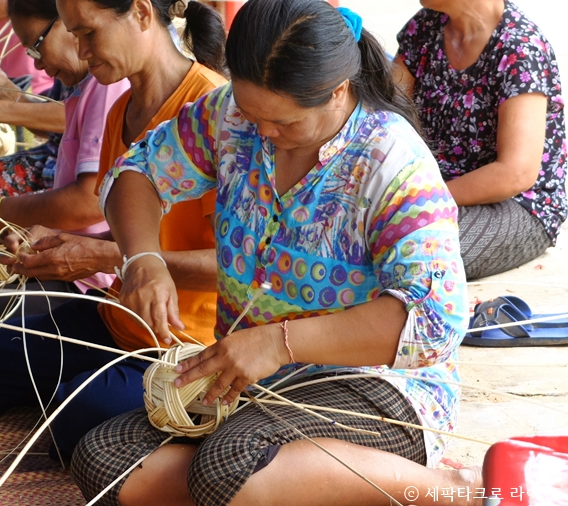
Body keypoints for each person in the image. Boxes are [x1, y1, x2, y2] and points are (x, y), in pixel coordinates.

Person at [73, 1, 480, 505]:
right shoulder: (232, 115)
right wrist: (142, 259)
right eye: (251, 113)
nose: (262, 133)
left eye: (284, 122)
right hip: (251, 379)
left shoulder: (392, 162)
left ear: (336, 92)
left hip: (374, 388)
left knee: (230, 467)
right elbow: (137, 173)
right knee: (104, 457)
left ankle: (459, 491)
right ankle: (282, 488)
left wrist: (279, 343)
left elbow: (432, 321)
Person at [0, 0, 227, 461]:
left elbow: (243, 270)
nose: (81, 51)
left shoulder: (216, 114)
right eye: (73, 34)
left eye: (89, 34)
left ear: (139, 13)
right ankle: (86, 390)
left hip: (188, 346)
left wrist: (101, 257)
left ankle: (149, 405)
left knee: (75, 422)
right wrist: (66, 246)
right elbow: (132, 241)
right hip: (118, 321)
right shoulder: (123, 110)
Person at [0, 0, 129, 331]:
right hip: (82, 260)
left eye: (37, 47)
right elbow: (61, 121)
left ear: (70, 22)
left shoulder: (107, 83)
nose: (40, 67)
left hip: (98, 281)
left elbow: (88, 204)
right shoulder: (89, 78)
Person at [394, 0, 566, 280]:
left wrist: (419, 199)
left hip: (517, 204)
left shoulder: (520, 48)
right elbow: (386, 114)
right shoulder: (426, 25)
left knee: (414, 253)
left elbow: (515, 174)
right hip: (431, 188)